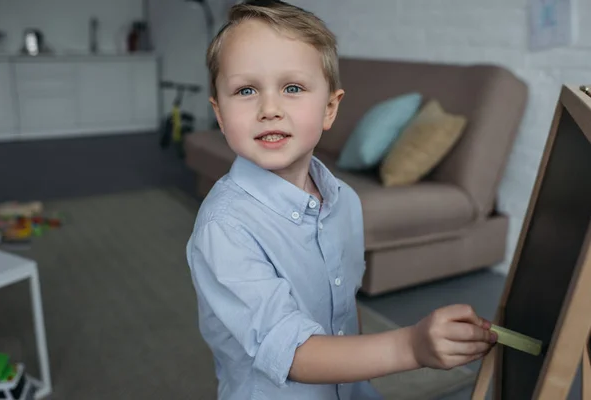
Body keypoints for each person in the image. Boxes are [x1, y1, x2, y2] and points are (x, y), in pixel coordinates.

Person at [186, 1, 498, 399]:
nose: (269, 109)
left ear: (330, 108)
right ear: (220, 114)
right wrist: (410, 346)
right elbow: (293, 354)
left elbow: (343, 309)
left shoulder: (344, 200)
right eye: (246, 90)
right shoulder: (224, 228)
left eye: (292, 88)